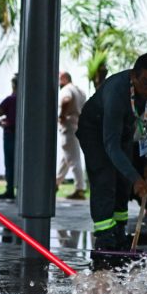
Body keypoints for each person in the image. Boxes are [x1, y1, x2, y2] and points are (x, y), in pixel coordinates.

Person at [78, 53, 147, 251]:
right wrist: (137, 179)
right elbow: (110, 145)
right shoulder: (116, 90)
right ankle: (104, 237)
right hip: (94, 130)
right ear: (133, 77)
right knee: (105, 178)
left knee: (123, 181)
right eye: (146, 84)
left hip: (124, 130)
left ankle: (119, 233)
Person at [56, 71, 87, 200]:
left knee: (73, 159)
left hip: (68, 126)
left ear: (63, 79)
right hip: (77, 125)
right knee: (66, 158)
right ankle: (55, 183)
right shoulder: (79, 91)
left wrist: (62, 114)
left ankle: (80, 188)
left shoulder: (67, 90)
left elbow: (66, 100)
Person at [0, 74, 17, 200]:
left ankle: (10, 189)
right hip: (23, 136)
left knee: (9, 163)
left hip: (10, 134)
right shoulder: (27, 100)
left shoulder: (10, 99)